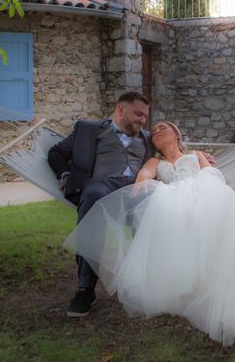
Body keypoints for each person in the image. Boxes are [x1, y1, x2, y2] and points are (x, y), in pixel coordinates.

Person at [65, 120, 235, 346]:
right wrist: (146, 183)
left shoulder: (196, 155)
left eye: (165, 127)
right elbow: (144, 178)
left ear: (176, 134)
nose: (159, 129)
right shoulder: (153, 161)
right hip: (172, 201)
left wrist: (203, 181)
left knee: (226, 208)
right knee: (177, 210)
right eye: (156, 129)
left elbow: (214, 175)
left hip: (205, 195)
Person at [48, 90, 153, 317]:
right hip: (102, 184)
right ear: (120, 109)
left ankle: (145, 283)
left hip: (135, 187)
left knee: (155, 206)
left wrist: (198, 158)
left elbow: (172, 152)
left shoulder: (147, 137)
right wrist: (65, 175)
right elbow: (55, 153)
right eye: (138, 114)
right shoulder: (88, 130)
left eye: (144, 116)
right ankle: (86, 288)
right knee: (93, 198)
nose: (142, 120)